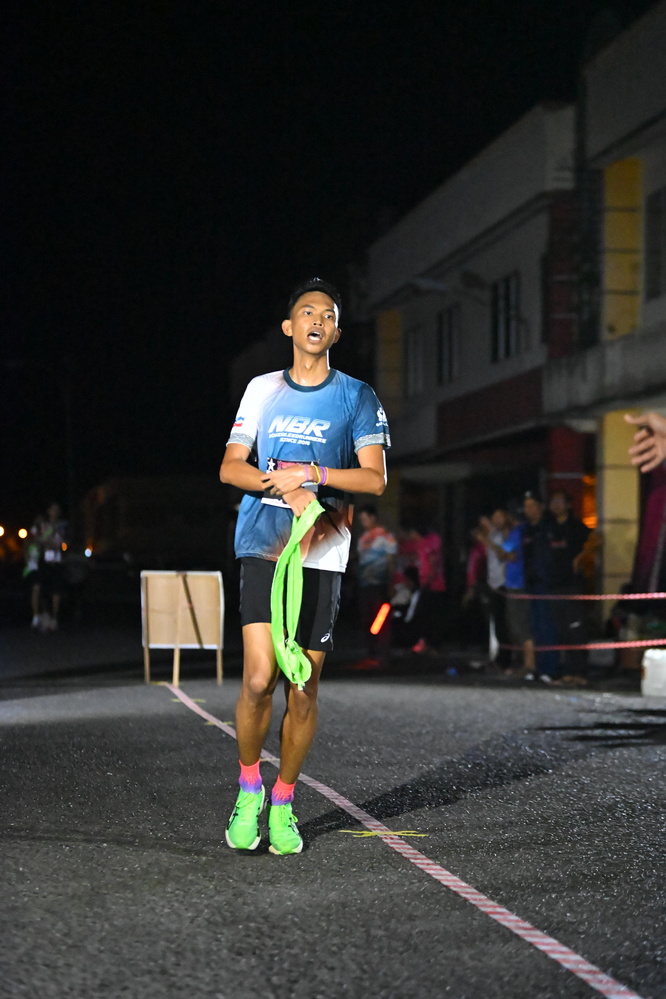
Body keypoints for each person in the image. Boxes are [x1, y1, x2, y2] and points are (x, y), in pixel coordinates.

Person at [219, 277, 391, 855]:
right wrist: (283, 485)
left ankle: (284, 799)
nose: (317, 319)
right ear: (289, 327)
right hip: (263, 542)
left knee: (303, 688)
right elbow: (231, 467)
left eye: (328, 315)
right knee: (258, 678)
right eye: (307, 312)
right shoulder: (262, 389)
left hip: (322, 547)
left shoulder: (357, 396)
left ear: (336, 333)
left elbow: (374, 479)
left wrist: (313, 476)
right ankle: (249, 790)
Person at [356, 504, 397, 663]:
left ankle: (382, 652)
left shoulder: (385, 537)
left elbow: (391, 560)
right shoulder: (363, 538)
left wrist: (391, 582)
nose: (363, 523)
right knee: (366, 618)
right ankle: (371, 652)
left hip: (380, 583)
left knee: (380, 617)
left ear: (373, 518)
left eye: (365, 519)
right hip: (364, 583)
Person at [39, 503, 67, 632]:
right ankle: (46, 615)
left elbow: (61, 542)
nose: (54, 512)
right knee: (44, 589)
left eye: (56, 510)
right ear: (48, 511)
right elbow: (42, 540)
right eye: (52, 509)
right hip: (46, 560)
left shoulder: (62, 525)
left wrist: (55, 541)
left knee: (56, 590)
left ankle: (54, 617)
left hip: (57, 561)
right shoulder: (44, 525)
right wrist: (49, 540)